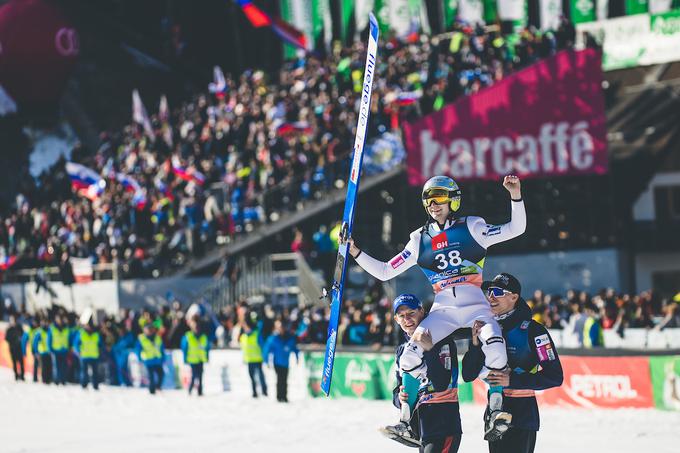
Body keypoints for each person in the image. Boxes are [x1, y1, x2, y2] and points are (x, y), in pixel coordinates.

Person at [346, 175, 526, 439]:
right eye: (429, 200)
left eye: (440, 198)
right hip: (443, 311)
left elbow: (516, 228)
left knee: (495, 346)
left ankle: (496, 409)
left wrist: (515, 195)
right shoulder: (419, 239)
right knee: (409, 355)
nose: (434, 204)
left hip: (475, 306)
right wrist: (355, 252)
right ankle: (406, 421)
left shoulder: (473, 227)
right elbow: (385, 271)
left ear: (454, 200)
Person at [462, 273, 564, 452]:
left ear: (514, 297)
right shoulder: (485, 328)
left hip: (523, 415)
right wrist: (476, 345)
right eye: (489, 291)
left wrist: (512, 380)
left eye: (497, 291)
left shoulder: (533, 330)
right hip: (494, 416)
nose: (491, 296)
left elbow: (555, 376)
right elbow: (468, 375)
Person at [381, 294, 462, 452]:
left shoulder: (442, 340)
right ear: (396, 319)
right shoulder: (403, 351)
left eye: (411, 313)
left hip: (444, 424)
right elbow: (398, 391)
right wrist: (400, 397)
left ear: (422, 312)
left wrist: (429, 349)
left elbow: (441, 383)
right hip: (421, 428)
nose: (407, 319)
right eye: (402, 316)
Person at [263, 320, 299, 403]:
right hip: (277, 363)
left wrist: (297, 358)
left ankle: (284, 396)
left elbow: (294, 348)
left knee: (285, 380)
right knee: (279, 380)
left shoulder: (289, 338)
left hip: (286, 363)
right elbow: (267, 350)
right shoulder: (274, 338)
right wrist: (267, 361)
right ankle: (279, 396)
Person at [239, 313, 267, 398]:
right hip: (249, 360)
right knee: (252, 377)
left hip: (258, 359)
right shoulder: (243, 337)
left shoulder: (256, 334)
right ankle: (254, 392)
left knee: (260, 376)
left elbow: (263, 345)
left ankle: (264, 391)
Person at [181, 316, 210, 396]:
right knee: (194, 375)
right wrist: (185, 358)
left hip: (200, 359)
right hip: (192, 359)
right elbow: (184, 348)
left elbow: (207, 348)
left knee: (200, 375)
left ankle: (200, 391)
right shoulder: (188, 336)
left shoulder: (203, 337)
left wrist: (207, 357)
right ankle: (190, 389)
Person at [136, 323, 165, 394]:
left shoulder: (157, 338)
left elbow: (161, 348)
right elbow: (138, 350)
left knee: (161, 374)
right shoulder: (141, 338)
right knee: (151, 377)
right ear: (145, 331)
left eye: (151, 329)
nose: (150, 331)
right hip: (148, 361)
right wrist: (140, 358)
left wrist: (163, 358)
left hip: (157, 360)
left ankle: (158, 387)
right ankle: (152, 391)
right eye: (148, 330)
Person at [74, 320, 103, 390]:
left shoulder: (96, 334)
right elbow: (76, 344)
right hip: (84, 356)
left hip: (94, 356)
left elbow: (100, 345)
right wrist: (78, 352)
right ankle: (84, 385)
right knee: (84, 372)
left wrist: (100, 352)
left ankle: (95, 385)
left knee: (95, 372)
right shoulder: (81, 333)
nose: (88, 327)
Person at [48, 314, 70, 385]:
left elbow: (69, 339)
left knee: (64, 366)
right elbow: (49, 339)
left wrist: (69, 348)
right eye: (58, 319)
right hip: (55, 350)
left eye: (60, 319)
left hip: (64, 350)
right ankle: (57, 380)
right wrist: (50, 349)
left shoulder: (66, 328)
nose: (59, 320)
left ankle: (63, 380)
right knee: (56, 367)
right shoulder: (52, 328)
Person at [32, 317, 52, 384]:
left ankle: (49, 379)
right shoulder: (39, 332)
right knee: (43, 367)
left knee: (49, 366)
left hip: (48, 352)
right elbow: (35, 343)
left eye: (46, 322)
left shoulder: (50, 331)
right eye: (43, 322)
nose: (44, 324)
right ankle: (44, 379)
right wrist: (36, 352)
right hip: (42, 352)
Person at [5, 315, 25, 381]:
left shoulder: (19, 327)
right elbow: (6, 338)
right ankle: (16, 375)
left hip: (19, 348)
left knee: (21, 362)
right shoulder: (9, 329)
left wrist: (19, 339)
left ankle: (22, 376)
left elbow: (23, 334)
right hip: (12, 349)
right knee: (14, 363)